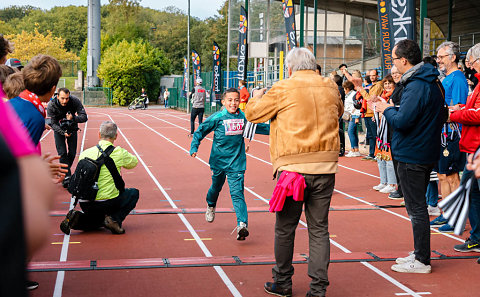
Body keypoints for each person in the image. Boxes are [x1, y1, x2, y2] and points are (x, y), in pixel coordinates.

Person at [245, 47, 343, 297]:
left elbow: (253, 114)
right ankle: (318, 289)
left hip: (293, 168)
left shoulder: (283, 87)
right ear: (313, 65)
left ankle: (283, 281)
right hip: (325, 165)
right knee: (319, 228)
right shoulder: (330, 86)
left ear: (289, 68)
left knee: (285, 227)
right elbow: (339, 112)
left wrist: (256, 96)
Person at [374, 39, 444, 273]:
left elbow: (403, 121)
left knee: (416, 209)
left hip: (413, 153)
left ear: (403, 60)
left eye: (394, 59)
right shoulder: (430, 80)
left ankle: (422, 260)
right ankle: (419, 253)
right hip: (422, 150)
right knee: (417, 207)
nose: (392, 64)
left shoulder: (417, 85)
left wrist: (387, 110)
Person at [189, 88, 269, 240]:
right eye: (230, 100)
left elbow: (262, 128)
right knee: (215, 188)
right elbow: (200, 131)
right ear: (224, 102)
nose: (233, 103)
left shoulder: (244, 118)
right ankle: (211, 205)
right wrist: (194, 147)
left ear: (240, 102)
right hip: (219, 162)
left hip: (236, 163)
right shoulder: (218, 117)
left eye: (236, 100)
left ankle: (242, 225)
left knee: (237, 193)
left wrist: (280, 128)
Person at [60, 121, 139, 235]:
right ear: (116, 136)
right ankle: (114, 219)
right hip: (108, 203)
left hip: (86, 202)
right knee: (133, 194)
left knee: (97, 222)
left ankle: (78, 220)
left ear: (99, 135)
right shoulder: (119, 152)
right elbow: (134, 162)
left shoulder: (85, 153)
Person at [430, 41, 469, 232]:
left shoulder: (458, 78)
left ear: (453, 57)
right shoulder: (445, 78)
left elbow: (461, 107)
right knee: (442, 175)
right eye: (438, 57)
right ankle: (447, 213)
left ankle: (456, 217)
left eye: (441, 57)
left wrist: (441, 112)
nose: (439, 61)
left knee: (452, 177)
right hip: (441, 133)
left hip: (453, 134)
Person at [448, 43, 480, 254]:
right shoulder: (477, 83)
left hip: (477, 147)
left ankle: (477, 237)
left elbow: (478, 114)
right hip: (473, 146)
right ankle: (477, 237)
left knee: (472, 192)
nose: (470, 65)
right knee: (472, 193)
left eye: (472, 61)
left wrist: (454, 114)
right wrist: (462, 109)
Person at [47, 88, 88, 187]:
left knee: (73, 153)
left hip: (72, 127)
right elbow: (52, 124)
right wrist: (62, 132)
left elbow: (84, 117)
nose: (65, 101)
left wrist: (73, 118)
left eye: (67, 98)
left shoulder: (74, 101)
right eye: (62, 98)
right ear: (57, 96)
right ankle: (67, 177)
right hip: (58, 129)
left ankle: (63, 171)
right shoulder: (51, 105)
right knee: (62, 153)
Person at [371, 75, 397, 194]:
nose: (387, 86)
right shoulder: (382, 98)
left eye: (389, 83)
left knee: (389, 158)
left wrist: (385, 113)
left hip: (390, 132)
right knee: (380, 157)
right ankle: (384, 181)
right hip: (381, 131)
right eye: (385, 84)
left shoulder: (394, 97)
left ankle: (392, 183)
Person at [343, 80, 361, 157]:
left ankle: (354, 150)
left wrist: (357, 117)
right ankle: (355, 149)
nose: (344, 90)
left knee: (350, 132)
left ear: (347, 88)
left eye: (344, 88)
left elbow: (357, 106)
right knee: (352, 132)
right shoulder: (348, 95)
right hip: (351, 116)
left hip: (354, 115)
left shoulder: (353, 95)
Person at [332, 74, 345, 156]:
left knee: (338, 131)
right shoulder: (339, 89)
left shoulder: (339, 90)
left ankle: (340, 147)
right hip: (336, 112)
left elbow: (339, 102)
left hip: (337, 113)